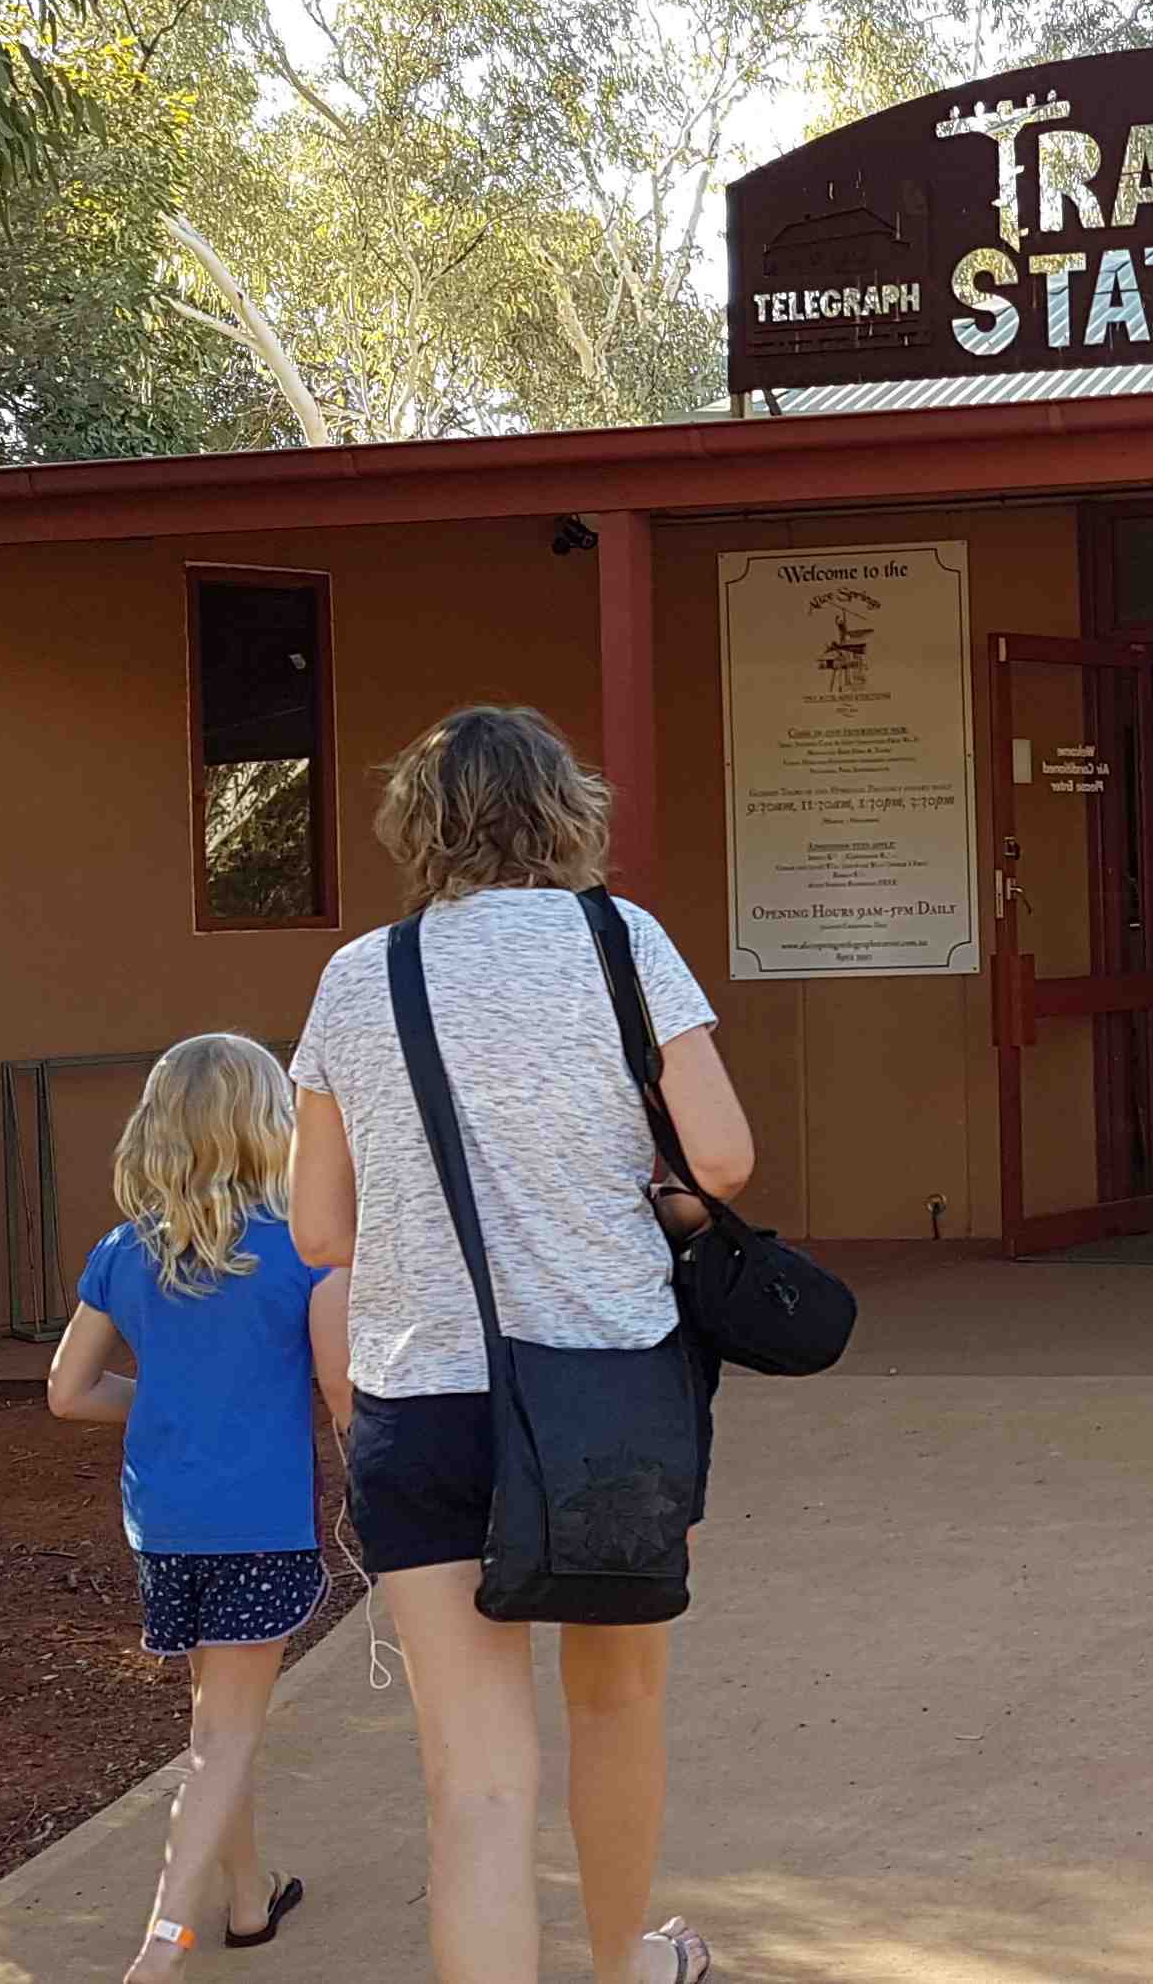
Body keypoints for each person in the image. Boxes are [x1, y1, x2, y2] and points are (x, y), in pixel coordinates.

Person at [288, 706, 757, 1984]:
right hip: (609, 1388)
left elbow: (318, 1230)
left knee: (477, 1782)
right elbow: (723, 1158)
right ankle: (622, 1965)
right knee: (618, 1704)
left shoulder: (360, 977)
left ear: (417, 826)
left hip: (422, 1396)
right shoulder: (622, 941)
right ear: (564, 809)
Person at [45, 1032, 349, 1980]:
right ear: (269, 1126)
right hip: (261, 1525)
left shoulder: (122, 1251)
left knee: (215, 1724)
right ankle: (163, 1942)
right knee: (223, 1735)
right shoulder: (302, 1250)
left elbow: (68, 1392)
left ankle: (248, 1899)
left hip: (164, 1525)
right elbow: (343, 1394)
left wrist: (165, 1400)